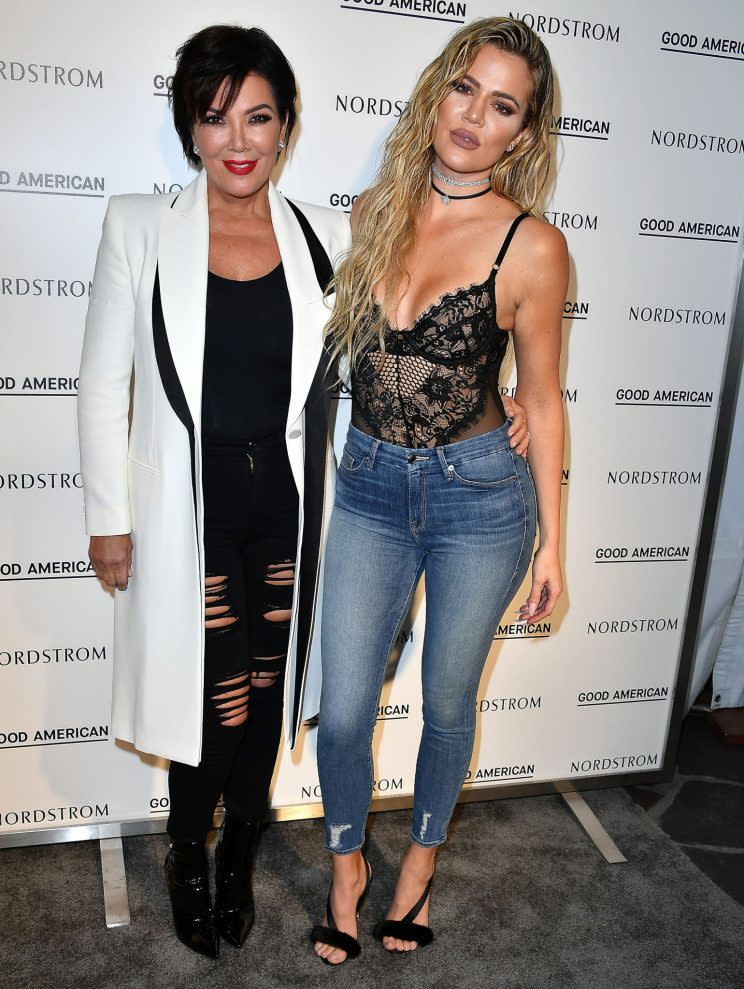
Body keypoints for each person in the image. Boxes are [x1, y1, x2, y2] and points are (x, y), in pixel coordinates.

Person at [77, 24, 352, 959]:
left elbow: (365, 374)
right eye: (216, 116)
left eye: (259, 117)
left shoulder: (327, 236)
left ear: (287, 127)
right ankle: (186, 845)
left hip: (285, 506)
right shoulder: (137, 224)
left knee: (266, 692)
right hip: (183, 516)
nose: (238, 138)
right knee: (213, 702)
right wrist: (108, 518)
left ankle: (242, 846)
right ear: (191, 127)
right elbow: (101, 381)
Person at [312, 16, 567, 964]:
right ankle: (347, 865)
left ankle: (417, 865)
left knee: (447, 702)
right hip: (371, 485)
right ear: (437, 91)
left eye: (502, 105)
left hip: (480, 499)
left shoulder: (533, 247)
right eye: (465, 88)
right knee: (344, 707)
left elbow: (540, 396)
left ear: (521, 135)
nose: (473, 115)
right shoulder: (374, 207)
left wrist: (553, 543)